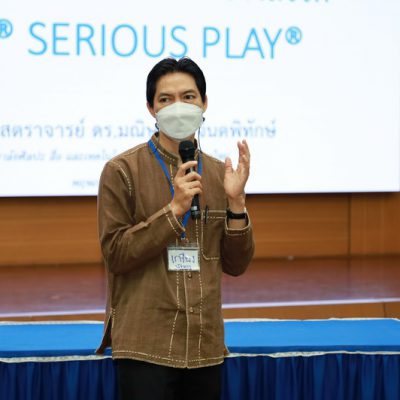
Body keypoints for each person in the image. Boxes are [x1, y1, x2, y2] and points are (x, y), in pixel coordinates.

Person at [96, 57, 255, 400]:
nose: (178, 107)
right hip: (145, 345)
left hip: (203, 345)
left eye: (188, 96)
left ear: (204, 103)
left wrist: (236, 204)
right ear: (151, 108)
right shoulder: (121, 171)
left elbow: (236, 264)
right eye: (166, 99)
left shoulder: (219, 174)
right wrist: (174, 210)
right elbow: (116, 254)